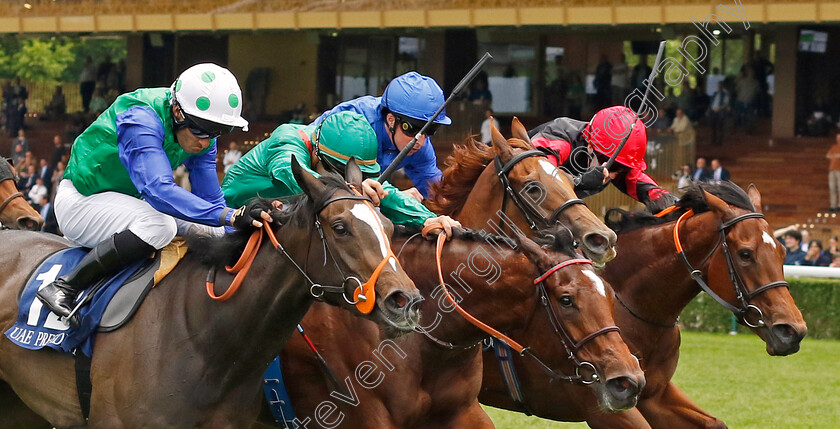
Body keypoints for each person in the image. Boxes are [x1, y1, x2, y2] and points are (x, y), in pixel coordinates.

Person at [36, 63, 271, 326]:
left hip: (130, 204)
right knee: (160, 226)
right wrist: (229, 216)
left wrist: (235, 227)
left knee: (215, 231)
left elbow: (211, 200)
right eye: (202, 130)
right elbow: (158, 190)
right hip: (81, 202)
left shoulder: (199, 129)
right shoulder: (140, 117)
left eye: (218, 132)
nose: (206, 142)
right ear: (177, 111)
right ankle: (66, 286)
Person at [222, 110, 459, 232]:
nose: (349, 181)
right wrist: (352, 189)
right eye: (339, 173)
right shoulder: (287, 139)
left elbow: (383, 190)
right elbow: (294, 175)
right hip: (228, 220)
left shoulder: (333, 155)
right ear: (317, 151)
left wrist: (428, 219)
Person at [311, 72, 451, 202]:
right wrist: (397, 198)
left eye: (430, 130)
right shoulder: (355, 129)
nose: (421, 142)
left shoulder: (420, 145)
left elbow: (438, 191)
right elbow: (344, 190)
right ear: (391, 120)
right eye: (413, 130)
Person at [527, 105, 677, 213]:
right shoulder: (558, 141)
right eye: (612, 167)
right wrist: (580, 181)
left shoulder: (608, 157)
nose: (611, 175)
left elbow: (638, 182)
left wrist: (670, 201)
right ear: (591, 146)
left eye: (621, 168)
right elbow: (537, 181)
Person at [709, 81, 730, 146]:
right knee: (713, 127)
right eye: (718, 86)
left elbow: (726, 104)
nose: (719, 87)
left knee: (720, 127)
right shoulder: (715, 93)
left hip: (720, 111)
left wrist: (719, 108)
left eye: (720, 86)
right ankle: (713, 140)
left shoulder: (725, 94)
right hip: (713, 111)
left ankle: (719, 141)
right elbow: (711, 102)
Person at [826, 134, 840, 213]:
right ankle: (833, 205)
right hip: (832, 170)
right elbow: (828, 155)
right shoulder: (834, 147)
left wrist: (836, 156)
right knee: (832, 188)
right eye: (837, 138)